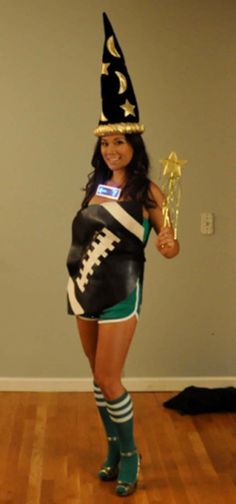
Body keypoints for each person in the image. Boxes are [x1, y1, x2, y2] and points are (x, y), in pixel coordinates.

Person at [66, 13, 179, 497]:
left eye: (121, 141)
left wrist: (169, 242)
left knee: (111, 377)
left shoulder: (148, 188)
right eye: (107, 141)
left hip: (122, 291)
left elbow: (168, 243)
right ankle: (111, 448)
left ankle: (131, 456)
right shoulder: (93, 184)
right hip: (82, 285)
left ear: (135, 144)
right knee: (96, 377)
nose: (113, 148)